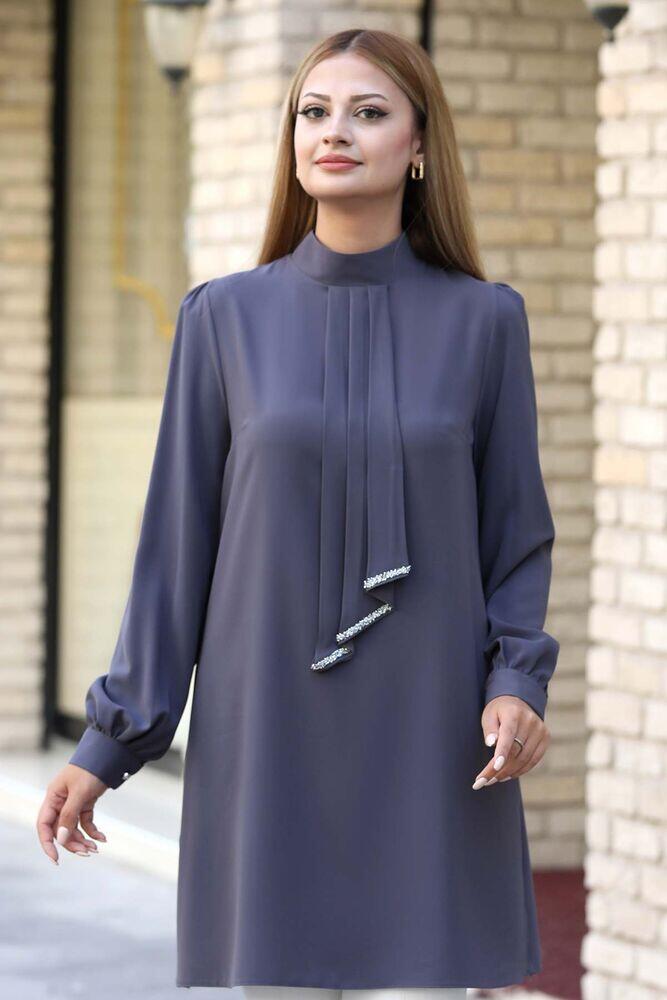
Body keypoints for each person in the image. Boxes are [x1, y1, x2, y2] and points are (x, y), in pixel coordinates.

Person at [36, 27, 559, 996]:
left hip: (430, 741)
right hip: (266, 737)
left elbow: (515, 537)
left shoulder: (486, 322)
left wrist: (517, 679)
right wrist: (113, 742)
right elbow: (176, 551)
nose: (334, 131)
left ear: (418, 145)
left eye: (368, 112)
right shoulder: (221, 319)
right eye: (313, 112)